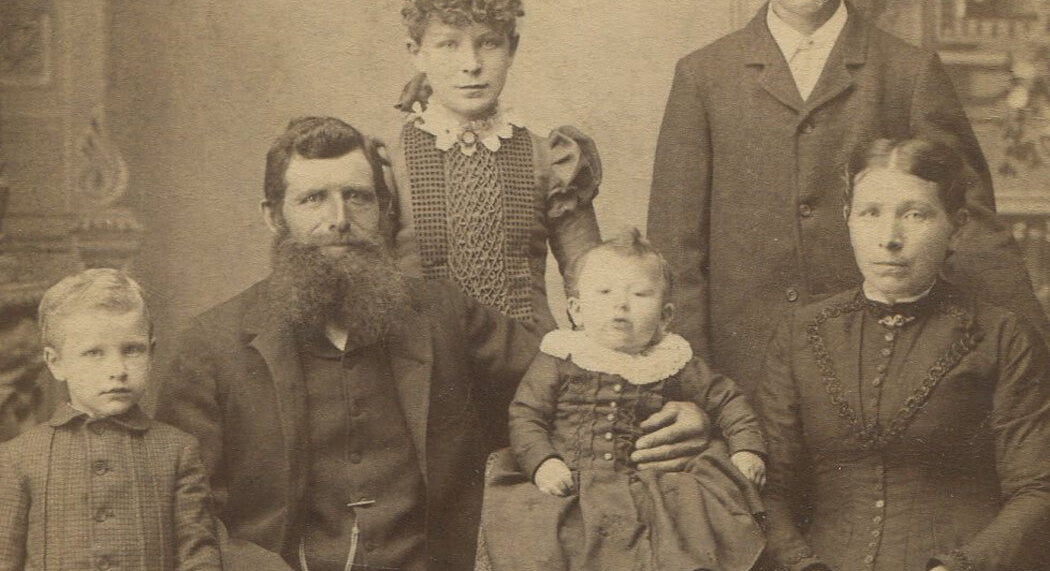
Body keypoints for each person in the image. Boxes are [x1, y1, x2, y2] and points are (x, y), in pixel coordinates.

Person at [155, 116, 712, 571]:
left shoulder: (444, 314)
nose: (339, 219)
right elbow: (187, 510)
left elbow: (577, 375)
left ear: (383, 210)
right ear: (273, 216)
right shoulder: (212, 346)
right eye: (313, 199)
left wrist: (686, 410)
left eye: (358, 197)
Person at [647, 0, 1045, 392]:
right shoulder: (704, 77)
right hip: (743, 380)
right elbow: (676, 249)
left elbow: (970, 227)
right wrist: (695, 388)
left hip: (881, 371)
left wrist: (1031, 362)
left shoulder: (907, 73)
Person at [756, 137, 1050, 571]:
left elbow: (1036, 489)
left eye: (915, 214)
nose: (890, 239)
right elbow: (771, 487)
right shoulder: (801, 332)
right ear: (847, 218)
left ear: (956, 226)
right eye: (870, 213)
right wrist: (800, 564)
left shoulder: (1001, 336)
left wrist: (960, 566)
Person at [482, 229, 767, 571]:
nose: (621, 304)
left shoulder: (673, 359)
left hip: (651, 488)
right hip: (574, 483)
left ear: (665, 317)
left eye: (639, 293)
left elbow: (727, 399)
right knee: (547, 540)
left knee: (681, 540)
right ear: (576, 310)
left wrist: (747, 448)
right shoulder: (560, 356)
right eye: (604, 291)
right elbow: (526, 415)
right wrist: (544, 462)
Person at [390, 0, 602, 334]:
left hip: (530, 363)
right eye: (449, 44)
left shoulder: (551, 159)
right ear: (416, 52)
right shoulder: (390, 163)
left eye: (488, 43)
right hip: (427, 364)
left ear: (512, 48)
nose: (471, 64)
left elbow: (592, 281)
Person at [0, 269, 221, 571]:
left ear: (151, 352)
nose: (118, 369)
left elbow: (198, 555)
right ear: (56, 362)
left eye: (132, 350)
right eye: (94, 353)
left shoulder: (178, 450)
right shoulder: (17, 457)